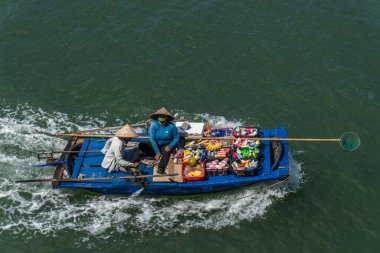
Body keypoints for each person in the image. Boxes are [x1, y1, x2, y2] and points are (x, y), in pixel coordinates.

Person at [139, 107, 180, 174]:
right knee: (141, 145)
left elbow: (176, 138)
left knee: (166, 154)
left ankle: (161, 168)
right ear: (157, 118)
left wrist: (170, 146)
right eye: (160, 119)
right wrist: (157, 151)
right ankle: (158, 154)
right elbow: (152, 139)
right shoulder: (154, 125)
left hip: (166, 144)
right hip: (156, 143)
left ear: (167, 118)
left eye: (163, 119)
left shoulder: (171, 126)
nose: (161, 122)